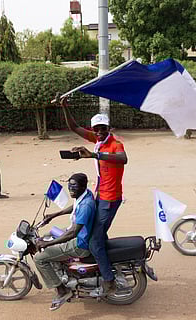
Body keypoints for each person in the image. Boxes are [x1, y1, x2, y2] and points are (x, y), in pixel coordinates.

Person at [60, 97, 127, 296]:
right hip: (101, 195)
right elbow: (74, 127)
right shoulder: (97, 140)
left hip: (110, 198)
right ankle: (102, 261)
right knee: (94, 232)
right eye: (96, 129)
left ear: (109, 128)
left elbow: (124, 159)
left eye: (102, 129)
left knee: (94, 241)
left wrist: (94, 155)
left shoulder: (115, 144)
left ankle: (109, 279)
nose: (98, 133)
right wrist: (65, 107)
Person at [34, 173, 96, 311]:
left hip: (80, 243)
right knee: (48, 234)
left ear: (82, 186)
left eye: (74, 186)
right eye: (69, 186)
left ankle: (62, 291)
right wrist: (55, 214)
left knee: (39, 258)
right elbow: (74, 207)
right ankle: (59, 267)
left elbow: (73, 233)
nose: (71, 189)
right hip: (78, 234)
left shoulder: (86, 205)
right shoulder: (85, 195)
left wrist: (47, 244)